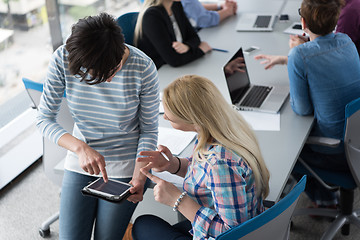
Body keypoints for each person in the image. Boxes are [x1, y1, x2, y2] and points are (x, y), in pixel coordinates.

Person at [36, 13, 159, 239]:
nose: (109, 81)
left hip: (125, 163)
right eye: (99, 77)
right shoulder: (64, 58)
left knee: (107, 236)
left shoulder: (143, 67)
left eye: (113, 70)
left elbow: (149, 130)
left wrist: (140, 175)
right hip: (81, 159)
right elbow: (44, 119)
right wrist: (80, 148)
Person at [131, 75, 270, 240]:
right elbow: (205, 173)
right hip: (247, 217)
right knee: (145, 224)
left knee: (142, 226)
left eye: (170, 116)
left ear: (193, 120)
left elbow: (234, 233)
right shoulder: (221, 131)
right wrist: (173, 165)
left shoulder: (220, 164)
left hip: (228, 234)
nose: (165, 117)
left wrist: (178, 200)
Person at [255, 0, 360, 208]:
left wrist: (295, 56)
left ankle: (325, 199)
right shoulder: (346, 40)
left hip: (336, 152)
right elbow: (324, 58)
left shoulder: (299, 55)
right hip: (357, 142)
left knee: (283, 148)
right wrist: (288, 59)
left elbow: (302, 109)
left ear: (303, 22)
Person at [134, 0, 212, 69]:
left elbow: (194, 37)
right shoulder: (151, 16)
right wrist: (200, 50)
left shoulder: (175, 5)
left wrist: (187, 46)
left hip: (177, 64)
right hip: (160, 71)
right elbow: (174, 60)